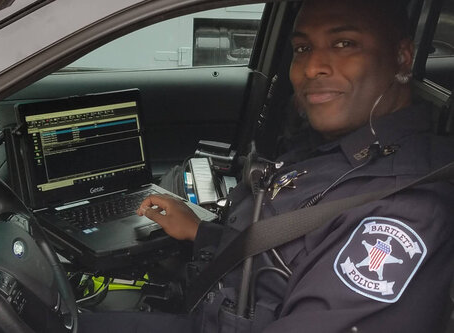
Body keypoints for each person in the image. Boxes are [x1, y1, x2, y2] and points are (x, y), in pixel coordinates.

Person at [79, 0, 454, 331]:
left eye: (344, 44)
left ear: (402, 56)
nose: (312, 68)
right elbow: (283, 242)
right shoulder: (332, 146)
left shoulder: (403, 210)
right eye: (302, 48)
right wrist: (202, 234)